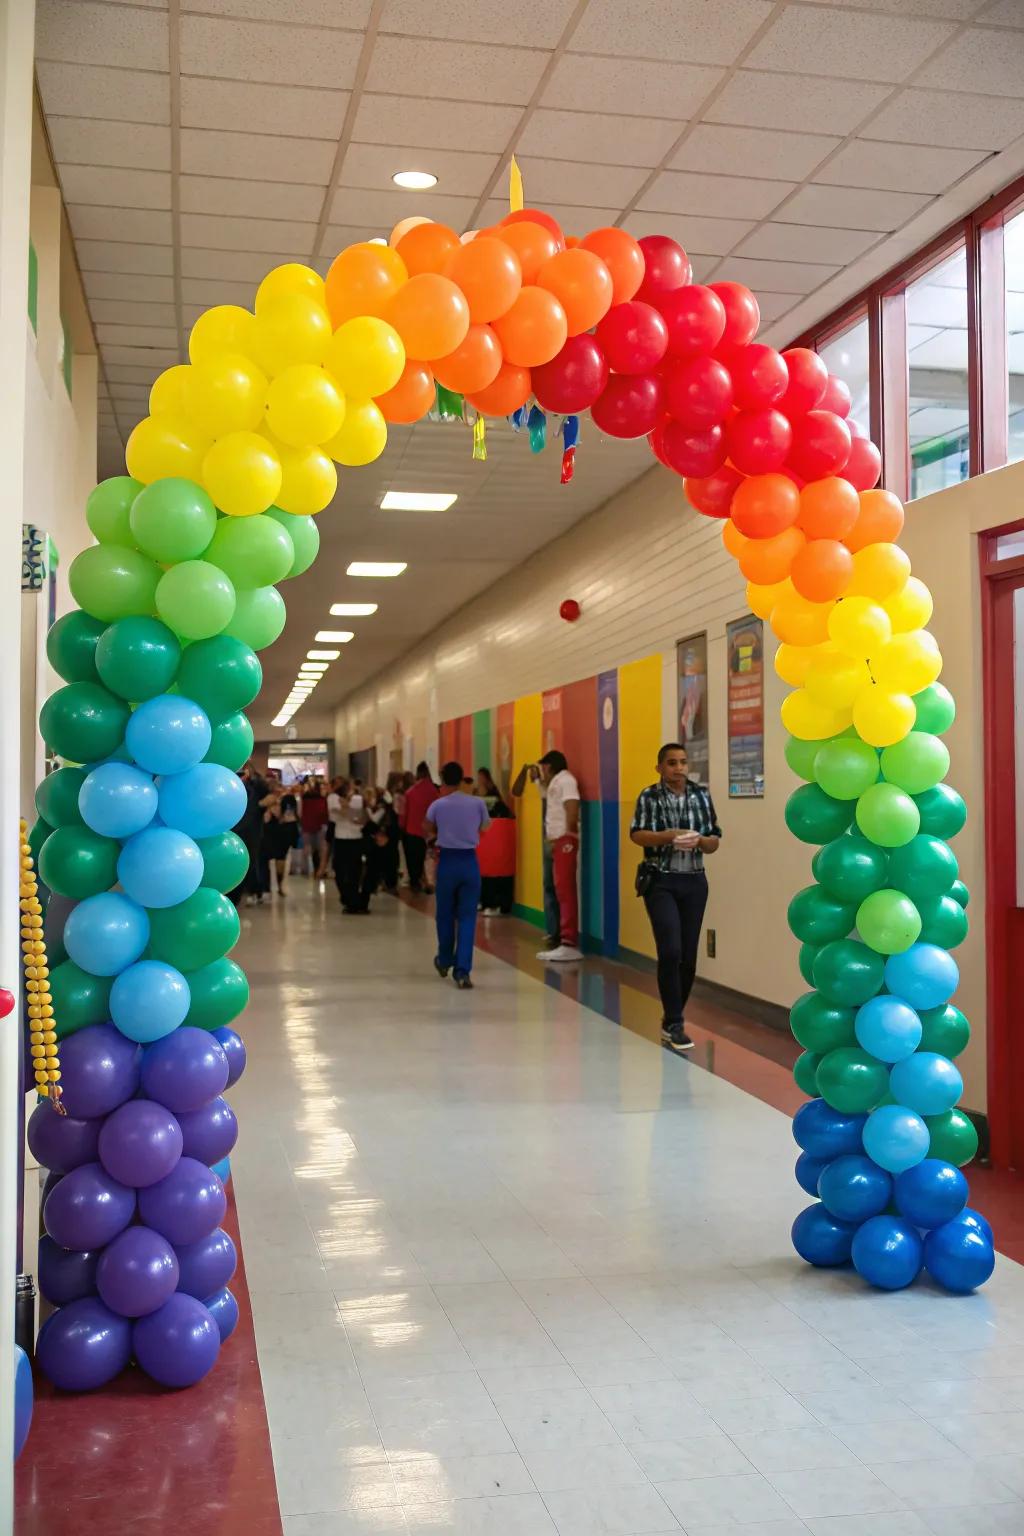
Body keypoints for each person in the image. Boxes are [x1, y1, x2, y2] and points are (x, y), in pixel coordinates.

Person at [630, 742, 721, 1053]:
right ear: (660, 767)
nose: (678, 768)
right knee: (670, 949)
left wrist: (700, 841)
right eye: (671, 763)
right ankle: (675, 1021)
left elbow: (714, 840)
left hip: (694, 881)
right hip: (661, 881)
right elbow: (637, 834)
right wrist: (669, 836)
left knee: (688, 957)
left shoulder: (701, 794)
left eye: (683, 762)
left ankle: (672, 1017)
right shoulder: (649, 796)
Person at [424, 760, 489, 989]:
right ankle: (462, 972)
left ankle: (444, 959)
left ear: (442, 780)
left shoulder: (437, 805)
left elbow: (427, 829)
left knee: (444, 915)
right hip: (470, 862)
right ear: (462, 779)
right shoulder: (477, 803)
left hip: (448, 862)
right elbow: (485, 827)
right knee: (468, 918)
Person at [513, 750, 582, 962]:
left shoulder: (566, 781)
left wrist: (568, 836)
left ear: (549, 766)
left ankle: (569, 942)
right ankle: (561, 936)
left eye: (543, 767)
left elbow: (572, 808)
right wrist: (534, 780)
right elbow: (544, 795)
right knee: (558, 889)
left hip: (565, 841)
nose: (541, 770)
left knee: (565, 890)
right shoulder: (554, 783)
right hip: (556, 841)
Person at [475, 767, 515, 915]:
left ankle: (495, 903)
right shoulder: (476, 793)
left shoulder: (494, 796)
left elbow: (502, 812)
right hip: (484, 839)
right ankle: (483, 900)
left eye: (481, 777)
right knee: (483, 871)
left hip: (495, 836)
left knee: (495, 871)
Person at [231, 762, 268, 907]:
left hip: (249, 833)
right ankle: (241, 894)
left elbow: (267, 795)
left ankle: (254, 892)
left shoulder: (255, 788)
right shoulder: (235, 791)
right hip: (238, 831)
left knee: (250, 863)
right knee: (240, 864)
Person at [328, 778, 367, 913]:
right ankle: (346, 897)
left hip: (355, 838)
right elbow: (336, 814)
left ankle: (353, 900)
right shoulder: (333, 798)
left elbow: (360, 817)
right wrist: (349, 812)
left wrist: (347, 808)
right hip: (341, 838)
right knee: (339, 870)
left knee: (354, 871)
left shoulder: (358, 799)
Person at [402, 761, 439, 893]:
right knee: (429, 858)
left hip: (412, 830)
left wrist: (402, 826)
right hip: (429, 831)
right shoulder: (434, 791)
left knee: (413, 861)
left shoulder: (410, 792)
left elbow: (404, 813)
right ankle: (428, 882)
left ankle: (415, 882)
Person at [263, 782, 299, 897]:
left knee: (280, 860)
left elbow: (289, 816)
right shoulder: (267, 803)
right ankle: (267, 887)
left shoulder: (287, 801)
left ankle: (279, 885)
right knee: (267, 861)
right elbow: (266, 819)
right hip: (270, 834)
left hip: (281, 834)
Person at [300, 777, 330, 878]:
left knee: (308, 848)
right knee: (322, 849)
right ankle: (320, 870)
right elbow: (325, 813)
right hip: (320, 825)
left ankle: (310, 870)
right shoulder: (322, 799)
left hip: (307, 825)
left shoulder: (304, 799)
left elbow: (300, 813)